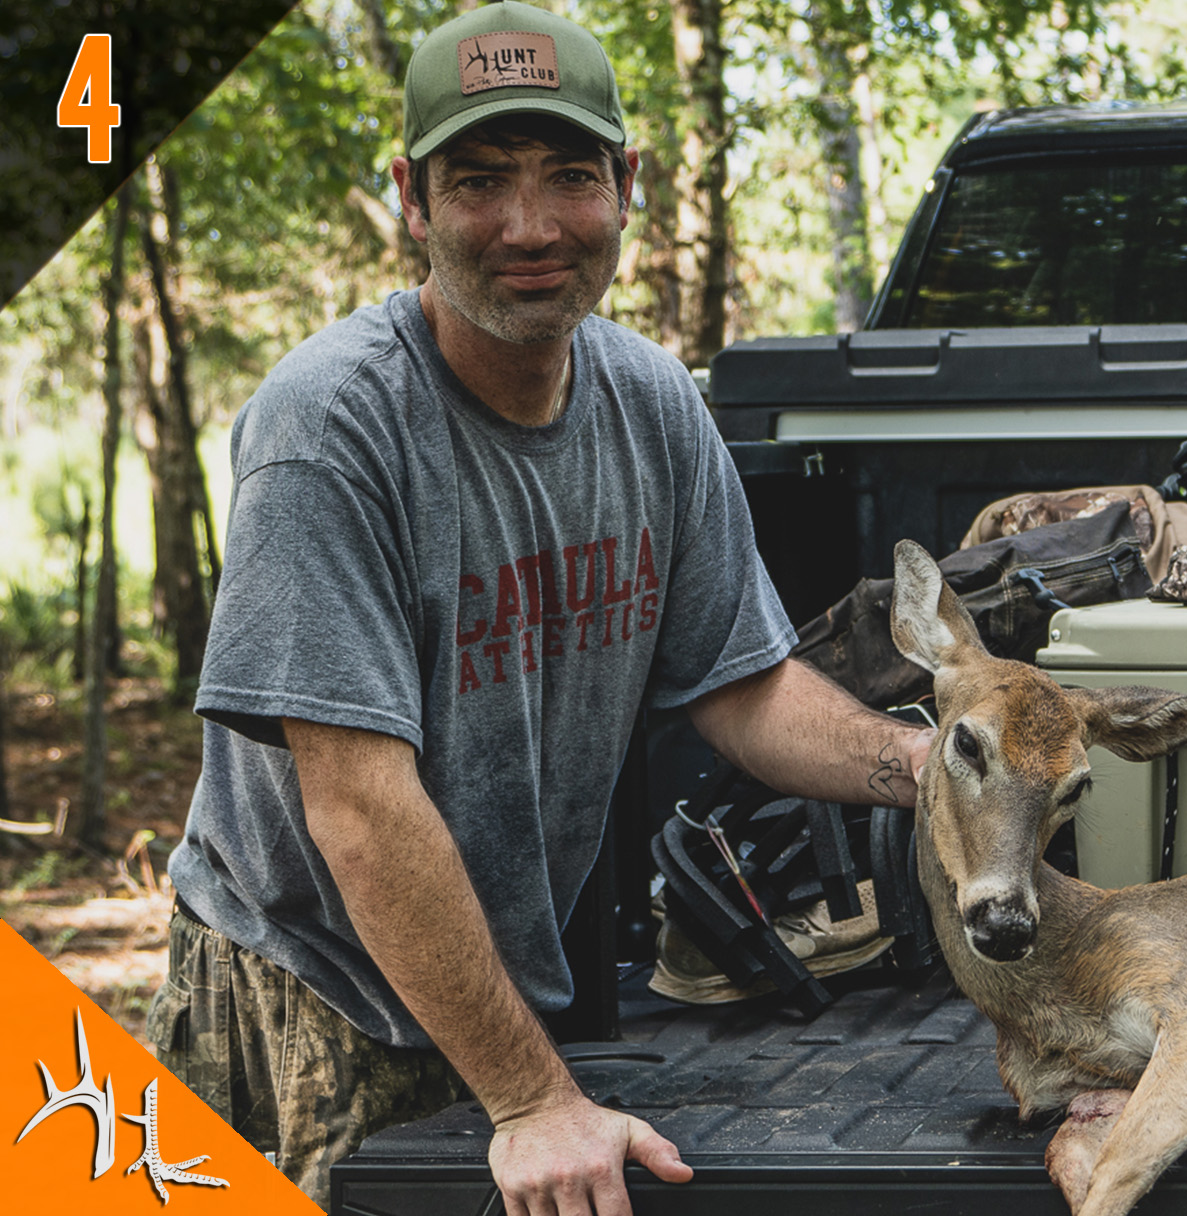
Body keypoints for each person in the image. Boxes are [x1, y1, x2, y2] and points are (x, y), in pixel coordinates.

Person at [146, 4, 932, 1212]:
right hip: (312, 997)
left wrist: (931, 768)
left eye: (570, 176)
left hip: (505, 977)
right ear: (411, 196)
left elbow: (741, 685)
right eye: (479, 181)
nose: (530, 227)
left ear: (628, 185)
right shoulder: (329, 430)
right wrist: (531, 1098)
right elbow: (357, 804)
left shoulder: (651, 402)